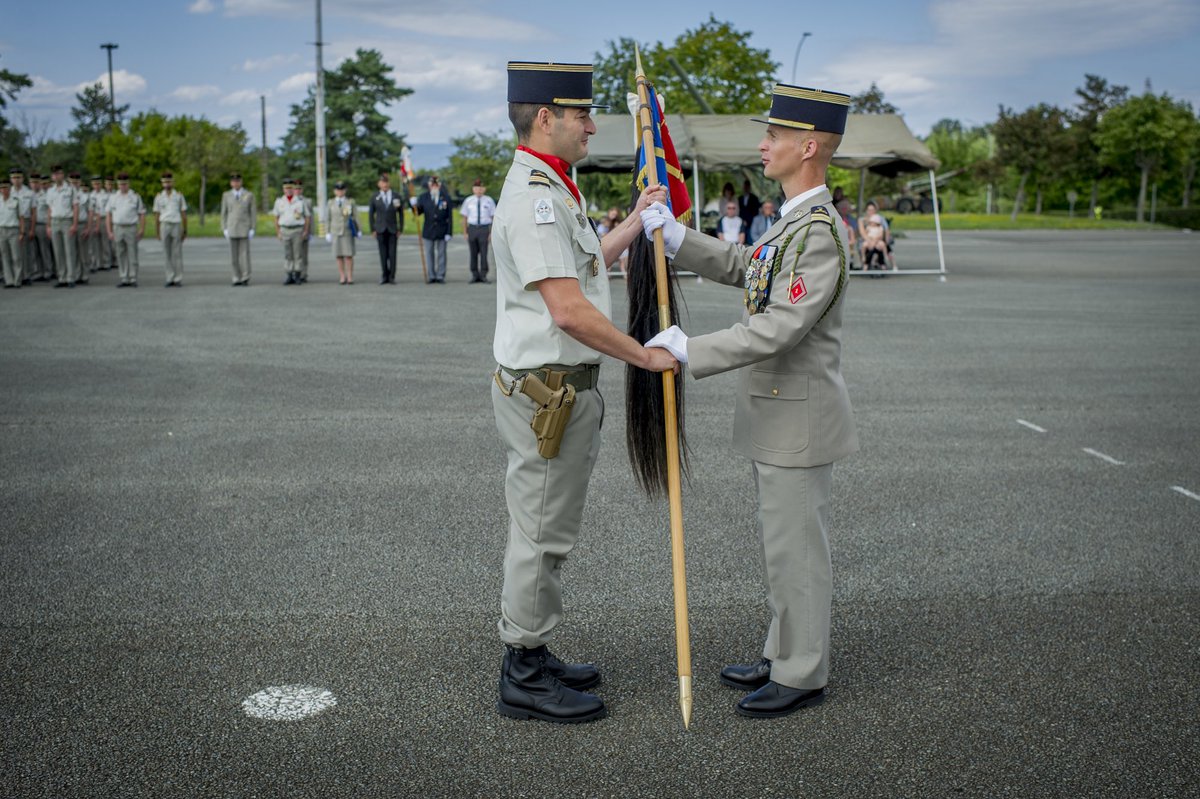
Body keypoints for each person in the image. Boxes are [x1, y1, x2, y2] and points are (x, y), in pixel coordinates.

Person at [641, 83, 859, 719]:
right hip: (779, 412)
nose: (763, 144)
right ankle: (783, 649)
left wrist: (691, 349)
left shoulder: (819, 230)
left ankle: (802, 672)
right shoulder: (793, 218)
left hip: (800, 417)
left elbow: (781, 325)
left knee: (797, 550)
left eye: (776, 136)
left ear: (809, 146)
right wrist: (679, 239)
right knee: (780, 543)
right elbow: (747, 265)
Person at [490, 60, 676, 725]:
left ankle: (534, 648)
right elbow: (567, 309)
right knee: (540, 533)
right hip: (551, 395)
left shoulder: (549, 186)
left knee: (545, 527)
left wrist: (634, 221)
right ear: (546, 117)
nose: (593, 125)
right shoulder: (537, 196)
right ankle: (523, 668)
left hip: (556, 389)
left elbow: (582, 259)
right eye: (581, 115)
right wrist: (644, 355)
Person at [106, 172, 146, 288]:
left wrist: (142, 229)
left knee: (132, 253)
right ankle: (124, 277)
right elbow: (108, 214)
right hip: (118, 227)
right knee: (120, 253)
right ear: (118, 185)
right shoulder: (113, 197)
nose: (123, 186)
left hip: (131, 227)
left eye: (125, 184)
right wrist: (109, 231)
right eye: (120, 184)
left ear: (128, 184)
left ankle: (133, 277)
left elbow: (142, 214)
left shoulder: (135, 197)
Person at [413, 175, 452, 283]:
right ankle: (431, 275)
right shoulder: (423, 197)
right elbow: (418, 213)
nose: (434, 186)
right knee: (429, 253)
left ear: (439, 185)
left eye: (436, 184)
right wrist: (413, 205)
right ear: (429, 185)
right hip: (428, 230)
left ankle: (440, 275)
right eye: (432, 184)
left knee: (441, 254)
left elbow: (450, 216)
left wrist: (449, 232)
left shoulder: (446, 197)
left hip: (442, 230)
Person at [45, 165, 79, 288]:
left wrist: (74, 224)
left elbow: (75, 207)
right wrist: (48, 225)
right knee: (58, 251)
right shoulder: (50, 191)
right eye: (54, 174)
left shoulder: (70, 189)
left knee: (69, 250)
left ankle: (71, 277)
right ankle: (62, 277)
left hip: (66, 221)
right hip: (55, 221)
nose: (56, 176)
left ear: (62, 174)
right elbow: (49, 209)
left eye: (58, 173)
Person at [153, 171, 188, 287]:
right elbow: (157, 215)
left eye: (169, 182)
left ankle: (178, 278)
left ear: (172, 182)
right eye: (165, 182)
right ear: (162, 183)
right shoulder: (159, 197)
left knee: (177, 252)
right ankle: (169, 277)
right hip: (164, 224)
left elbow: (183, 213)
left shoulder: (178, 195)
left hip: (176, 224)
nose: (167, 184)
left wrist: (185, 229)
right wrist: (157, 231)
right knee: (166, 253)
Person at [220, 172, 255, 286]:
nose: (236, 183)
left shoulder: (248, 195)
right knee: (233, 255)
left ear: (241, 182)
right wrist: (224, 228)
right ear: (231, 183)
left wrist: (252, 228)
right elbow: (224, 213)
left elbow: (252, 213)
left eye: (238, 181)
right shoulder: (226, 195)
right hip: (232, 227)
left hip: (244, 227)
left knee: (244, 255)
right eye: (234, 181)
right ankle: (236, 277)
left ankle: (245, 277)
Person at [369, 171, 403, 284]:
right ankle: (384, 275)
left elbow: (400, 213)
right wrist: (372, 229)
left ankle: (392, 276)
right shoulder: (375, 197)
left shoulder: (396, 196)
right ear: (379, 184)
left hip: (393, 228)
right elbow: (371, 214)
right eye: (382, 182)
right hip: (380, 228)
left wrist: (400, 228)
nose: (385, 184)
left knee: (392, 254)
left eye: (386, 182)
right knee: (383, 254)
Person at [273, 179, 309, 285]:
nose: (288, 190)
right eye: (286, 188)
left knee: (298, 254)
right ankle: (289, 274)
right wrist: (278, 232)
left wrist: (305, 230)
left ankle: (298, 274)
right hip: (285, 229)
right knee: (288, 254)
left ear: (293, 189)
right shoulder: (279, 201)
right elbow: (276, 217)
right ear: (283, 189)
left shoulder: (300, 201)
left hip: (297, 229)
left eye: (290, 188)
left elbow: (307, 217)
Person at [459, 178, 496, 284]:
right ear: (473, 189)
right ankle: (474, 274)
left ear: (484, 189)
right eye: (476, 188)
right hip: (472, 228)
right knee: (473, 253)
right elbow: (464, 218)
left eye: (481, 188)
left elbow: (493, 217)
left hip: (484, 229)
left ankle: (483, 275)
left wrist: (491, 233)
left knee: (484, 253)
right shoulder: (468, 201)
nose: (479, 190)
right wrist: (465, 232)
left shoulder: (489, 201)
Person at [326, 180, 357, 284]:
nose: (340, 192)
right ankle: (342, 276)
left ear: (345, 190)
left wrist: (359, 229)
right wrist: (327, 232)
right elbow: (328, 218)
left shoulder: (350, 202)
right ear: (335, 191)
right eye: (338, 190)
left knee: (348, 255)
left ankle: (350, 276)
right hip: (335, 231)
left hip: (347, 230)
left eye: (342, 189)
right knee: (338, 255)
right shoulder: (330, 203)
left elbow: (355, 216)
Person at [9, 168, 34, 284]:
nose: (16, 180)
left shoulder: (29, 192)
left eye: (18, 177)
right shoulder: (7, 192)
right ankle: (15, 275)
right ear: (11, 179)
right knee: (13, 252)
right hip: (12, 223)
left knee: (25, 250)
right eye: (14, 178)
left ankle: (26, 275)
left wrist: (32, 228)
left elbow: (33, 212)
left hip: (27, 221)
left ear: (22, 178)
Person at [0, 177, 25, 288]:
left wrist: (21, 232)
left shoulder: (16, 200)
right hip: (1, 230)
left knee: (16, 257)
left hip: (13, 230)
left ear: (10, 189)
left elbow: (21, 218)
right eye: (2, 188)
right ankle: (9, 280)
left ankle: (17, 280)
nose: (4, 190)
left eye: (6, 188)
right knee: (5, 256)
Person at [31, 174, 55, 281]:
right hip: (33, 224)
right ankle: (39, 271)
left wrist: (48, 225)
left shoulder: (46, 195)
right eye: (41, 183)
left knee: (45, 250)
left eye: (45, 183)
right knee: (35, 251)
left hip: (43, 224)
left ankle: (48, 271)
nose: (43, 185)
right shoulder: (32, 195)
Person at [858, 200, 892, 271]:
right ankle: (866, 262)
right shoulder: (861, 220)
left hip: (878, 239)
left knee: (881, 245)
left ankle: (882, 262)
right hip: (867, 240)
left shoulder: (880, 219)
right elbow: (863, 233)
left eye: (873, 210)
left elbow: (885, 230)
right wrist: (870, 241)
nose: (871, 212)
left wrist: (881, 240)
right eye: (869, 210)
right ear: (866, 210)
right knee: (865, 246)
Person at [69, 172, 90, 283]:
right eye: (72, 182)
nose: (74, 184)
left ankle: (85, 275)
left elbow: (89, 213)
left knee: (83, 251)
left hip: (82, 223)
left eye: (76, 182)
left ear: (80, 182)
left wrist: (88, 227)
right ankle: (77, 274)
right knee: (74, 251)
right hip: (71, 224)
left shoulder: (85, 196)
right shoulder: (67, 194)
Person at [87, 176, 108, 274]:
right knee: (93, 243)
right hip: (93, 220)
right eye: (94, 184)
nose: (96, 186)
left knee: (104, 242)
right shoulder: (90, 195)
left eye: (98, 183)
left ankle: (106, 262)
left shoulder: (105, 195)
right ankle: (95, 263)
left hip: (104, 218)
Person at [294, 178, 313, 283]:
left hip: (304, 230)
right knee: (294, 254)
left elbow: (311, 217)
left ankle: (303, 273)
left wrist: (311, 232)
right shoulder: (290, 201)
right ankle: (294, 272)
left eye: (299, 189)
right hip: (293, 230)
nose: (298, 191)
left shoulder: (307, 201)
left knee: (304, 254)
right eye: (296, 189)